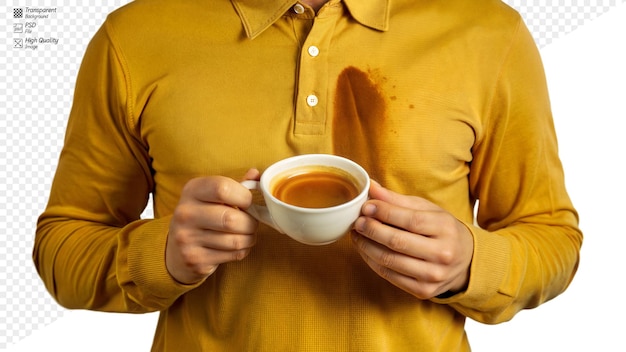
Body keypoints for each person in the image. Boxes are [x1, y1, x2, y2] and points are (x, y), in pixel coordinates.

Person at [33, 0, 583, 350]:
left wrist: (471, 264)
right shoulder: (132, 36)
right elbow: (61, 249)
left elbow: (553, 239)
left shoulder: (489, 32)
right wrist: (163, 254)